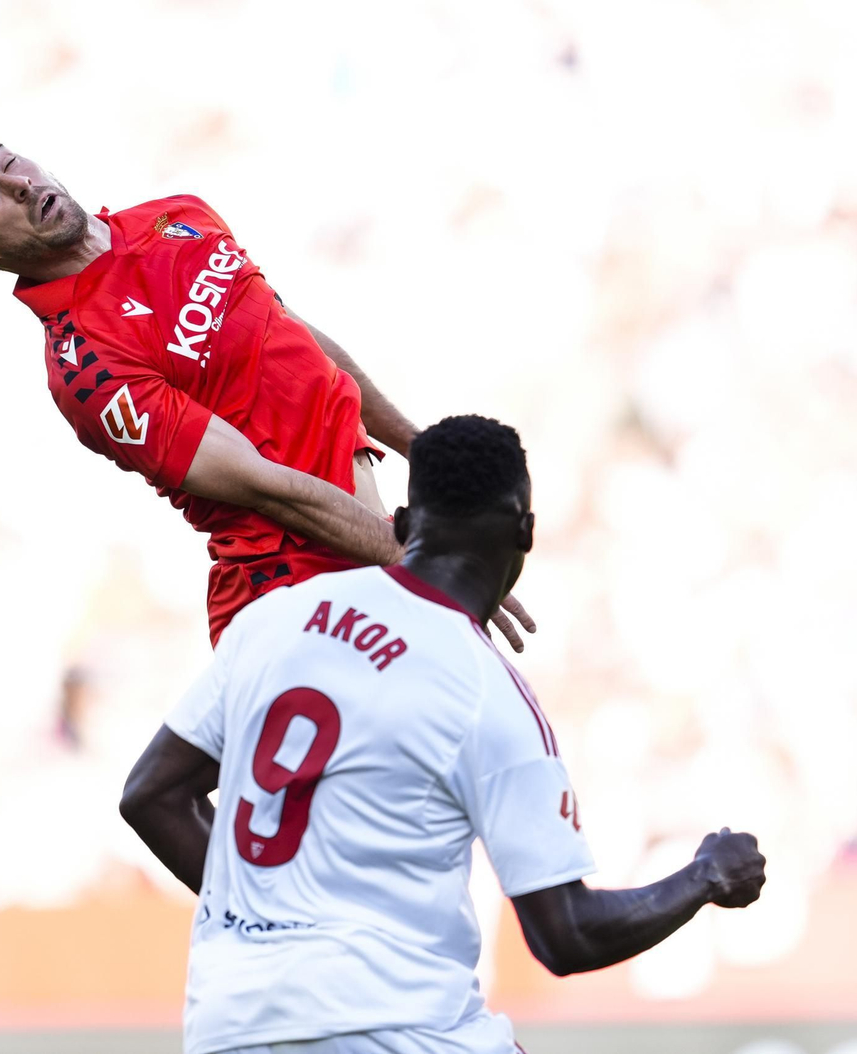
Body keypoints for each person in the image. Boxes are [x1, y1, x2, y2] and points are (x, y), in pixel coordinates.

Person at [119, 415, 767, 1054]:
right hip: (387, 1024)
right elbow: (567, 935)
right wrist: (706, 876)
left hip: (228, 1020)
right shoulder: (485, 690)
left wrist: (273, 914)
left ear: (401, 525)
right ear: (526, 531)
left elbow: (151, 794)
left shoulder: (276, 619)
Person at [0, 117, 533, 649]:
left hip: (370, 537)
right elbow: (266, 489)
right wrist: (417, 564)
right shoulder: (85, 367)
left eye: (9, 159)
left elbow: (292, 334)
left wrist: (422, 450)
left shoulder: (177, 213)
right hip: (294, 596)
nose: (18, 183)